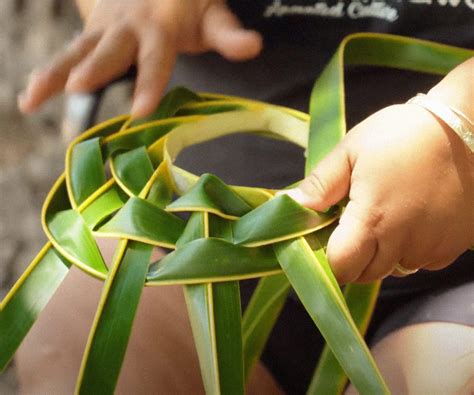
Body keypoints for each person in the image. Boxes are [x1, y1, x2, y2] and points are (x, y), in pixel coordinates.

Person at [16, 1, 473, 393]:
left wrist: (460, 122)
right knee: (73, 336)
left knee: (444, 374)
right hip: (195, 245)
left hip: (453, 273)